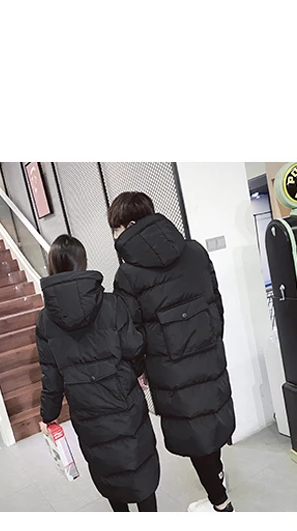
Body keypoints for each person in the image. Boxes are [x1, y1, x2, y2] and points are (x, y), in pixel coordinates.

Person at [108, 191, 235, 512]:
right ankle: (219, 480)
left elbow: (132, 334)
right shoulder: (194, 251)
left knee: (194, 432)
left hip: (170, 370)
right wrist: (211, 339)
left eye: (116, 228)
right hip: (209, 354)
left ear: (130, 225)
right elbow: (216, 303)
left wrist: (139, 370)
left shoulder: (128, 275)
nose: (115, 236)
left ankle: (221, 504)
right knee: (210, 421)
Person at [36, 235, 160, 512]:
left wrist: (48, 415)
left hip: (86, 409)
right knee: (139, 466)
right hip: (124, 401)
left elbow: (51, 376)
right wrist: (140, 373)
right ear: (83, 263)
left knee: (108, 469)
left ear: (52, 265)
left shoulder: (45, 320)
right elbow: (133, 347)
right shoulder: (112, 304)